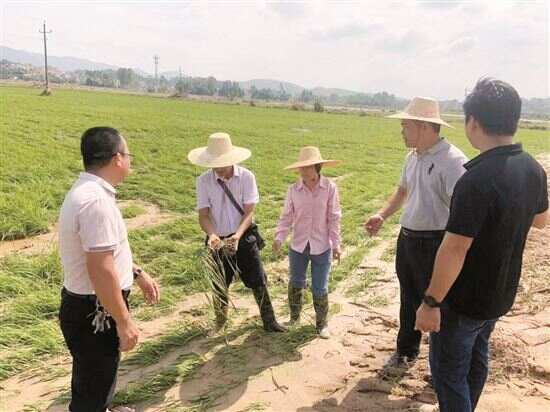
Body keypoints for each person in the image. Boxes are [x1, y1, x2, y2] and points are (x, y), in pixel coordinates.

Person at [416, 78, 548, 412]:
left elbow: (454, 249)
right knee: (477, 357)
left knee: (449, 374)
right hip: (500, 292)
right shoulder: (533, 169)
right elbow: (541, 220)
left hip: (463, 300)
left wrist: (431, 302)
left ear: (473, 122)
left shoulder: (475, 180)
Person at [58, 126, 160, 412]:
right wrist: (124, 321)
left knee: (94, 379)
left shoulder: (89, 192)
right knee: (93, 390)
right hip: (95, 311)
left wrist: (137, 274)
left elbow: (106, 254)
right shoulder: (95, 202)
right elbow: (101, 269)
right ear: (117, 158)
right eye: (128, 155)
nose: (129, 160)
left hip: (90, 305)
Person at [364, 97, 468, 366]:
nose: (402, 131)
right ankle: (407, 349)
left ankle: (443, 366)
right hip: (408, 238)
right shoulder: (412, 157)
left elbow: (463, 209)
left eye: (405, 125)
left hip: (435, 243)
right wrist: (382, 215)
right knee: (408, 296)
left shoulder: (453, 161)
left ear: (424, 126)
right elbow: (402, 191)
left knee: (437, 302)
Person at [188, 132, 286, 333]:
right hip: (217, 241)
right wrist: (212, 235)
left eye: (222, 163)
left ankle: (270, 322)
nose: (218, 168)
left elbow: (249, 212)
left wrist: (237, 236)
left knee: (258, 279)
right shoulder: (203, 181)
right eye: (214, 163)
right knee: (219, 283)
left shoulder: (246, 177)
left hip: (244, 235)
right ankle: (220, 322)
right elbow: (204, 215)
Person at [273, 146, 342, 339]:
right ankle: (294, 318)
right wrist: (279, 237)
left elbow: (334, 217)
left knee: (320, 287)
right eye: (301, 167)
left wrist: (336, 244)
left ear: (317, 167)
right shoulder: (293, 190)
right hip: (299, 246)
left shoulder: (329, 188)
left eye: (308, 167)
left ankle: (322, 324)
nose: (303, 171)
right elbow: (286, 217)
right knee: (296, 282)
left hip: (322, 246)